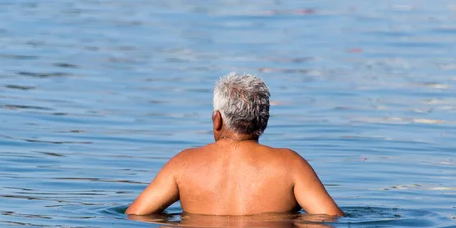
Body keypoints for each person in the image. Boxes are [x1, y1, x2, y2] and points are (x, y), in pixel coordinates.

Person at [126, 73, 344, 216]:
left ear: (217, 119)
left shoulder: (183, 164)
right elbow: (331, 220)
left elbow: (136, 215)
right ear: (264, 120)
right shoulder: (290, 164)